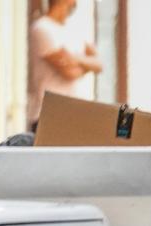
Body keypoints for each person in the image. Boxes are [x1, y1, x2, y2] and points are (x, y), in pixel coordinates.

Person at [27, 0, 103, 130]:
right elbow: (70, 73)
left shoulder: (73, 31)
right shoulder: (42, 29)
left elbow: (99, 64)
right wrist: (86, 64)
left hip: (72, 113)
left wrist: (74, 58)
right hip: (47, 115)